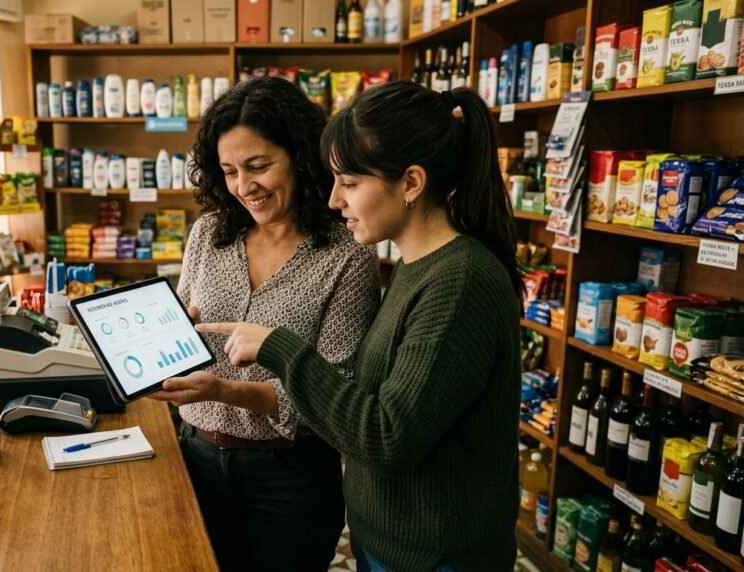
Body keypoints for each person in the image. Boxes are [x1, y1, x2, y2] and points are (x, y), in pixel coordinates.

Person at [158, 81, 523, 571]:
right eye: (229, 171)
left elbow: (383, 432)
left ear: (411, 183)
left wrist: (278, 352)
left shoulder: (455, 280)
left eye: (349, 183)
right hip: (385, 539)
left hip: (427, 551)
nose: (334, 199)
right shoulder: (420, 266)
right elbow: (378, 402)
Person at [150, 76, 380, 572]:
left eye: (258, 166)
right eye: (229, 171)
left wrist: (229, 391)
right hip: (195, 460)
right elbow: (188, 323)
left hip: (290, 477)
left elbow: (335, 391)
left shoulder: (347, 252)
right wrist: (164, 344)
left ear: (299, 156)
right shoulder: (209, 233)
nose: (243, 187)